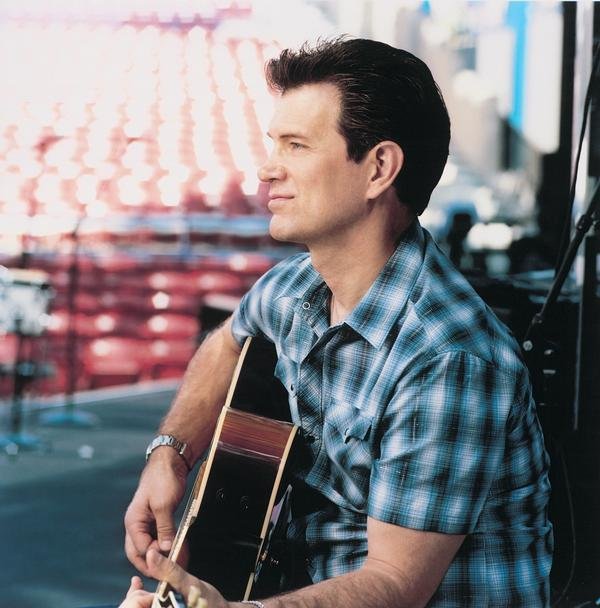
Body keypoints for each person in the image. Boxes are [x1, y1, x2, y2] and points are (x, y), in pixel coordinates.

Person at [124, 37, 553, 607]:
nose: (267, 169)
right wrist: (171, 453)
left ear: (379, 169)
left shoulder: (449, 358)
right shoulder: (293, 288)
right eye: (274, 144)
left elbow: (395, 584)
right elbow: (227, 344)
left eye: (296, 146)